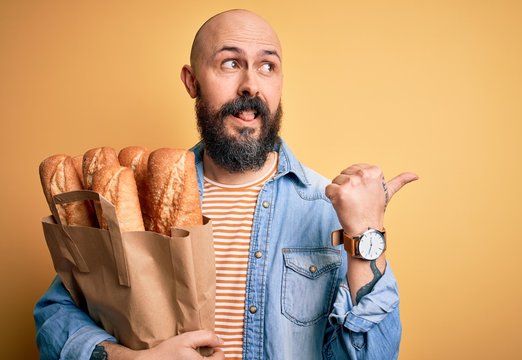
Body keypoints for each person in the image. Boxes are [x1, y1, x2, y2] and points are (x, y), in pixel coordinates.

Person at [34, 9, 417, 360]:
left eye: (268, 66)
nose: (251, 84)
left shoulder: (328, 208)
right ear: (191, 81)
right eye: (230, 63)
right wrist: (131, 359)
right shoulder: (138, 203)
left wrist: (366, 236)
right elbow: (54, 316)